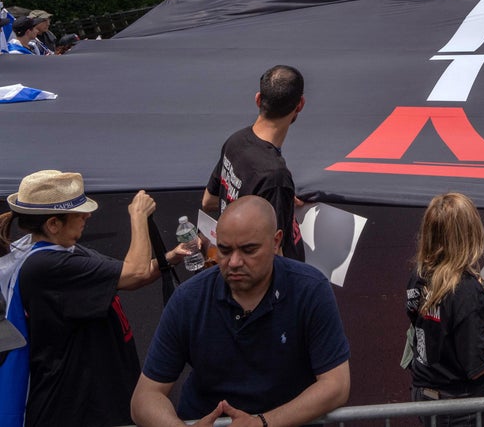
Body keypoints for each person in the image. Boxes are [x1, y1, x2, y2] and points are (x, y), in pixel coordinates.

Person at [131, 196, 350, 427]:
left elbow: (336, 385)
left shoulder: (310, 290)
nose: (234, 262)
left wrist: (262, 423)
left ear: (276, 242)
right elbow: (144, 398)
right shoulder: (188, 299)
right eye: (224, 250)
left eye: (248, 250)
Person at [1, 170, 190, 427]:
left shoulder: (68, 252)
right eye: (78, 213)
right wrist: (138, 217)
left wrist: (171, 257)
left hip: (95, 402)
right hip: (74, 411)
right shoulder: (47, 266)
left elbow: (131, 275)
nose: (87, 216)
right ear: (53, 224)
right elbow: (134, 272)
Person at [405, 192, 484, 426]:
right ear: (469, 235)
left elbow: (423, 316)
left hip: (423, 393)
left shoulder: (418, 274)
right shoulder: (465, 292)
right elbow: (478, 365)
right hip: (457, 407)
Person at [203, 65, 306, 260]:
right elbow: (276, 254)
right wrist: (275, 193)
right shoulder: (275, 176)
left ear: (258, 99)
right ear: (300, 104)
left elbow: (209, 201)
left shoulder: (235, 142)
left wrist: (274, 199)